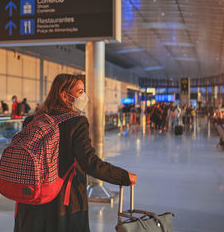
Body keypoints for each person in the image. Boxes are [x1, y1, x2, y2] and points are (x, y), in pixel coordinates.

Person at [14, 74, 137, 232]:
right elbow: (90, 163)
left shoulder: (31, 121)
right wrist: (123, 176)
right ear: (64, 95)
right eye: (80, 92)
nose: (84, 96)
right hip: (63, 205)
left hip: (30, 200)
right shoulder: (76, 122)